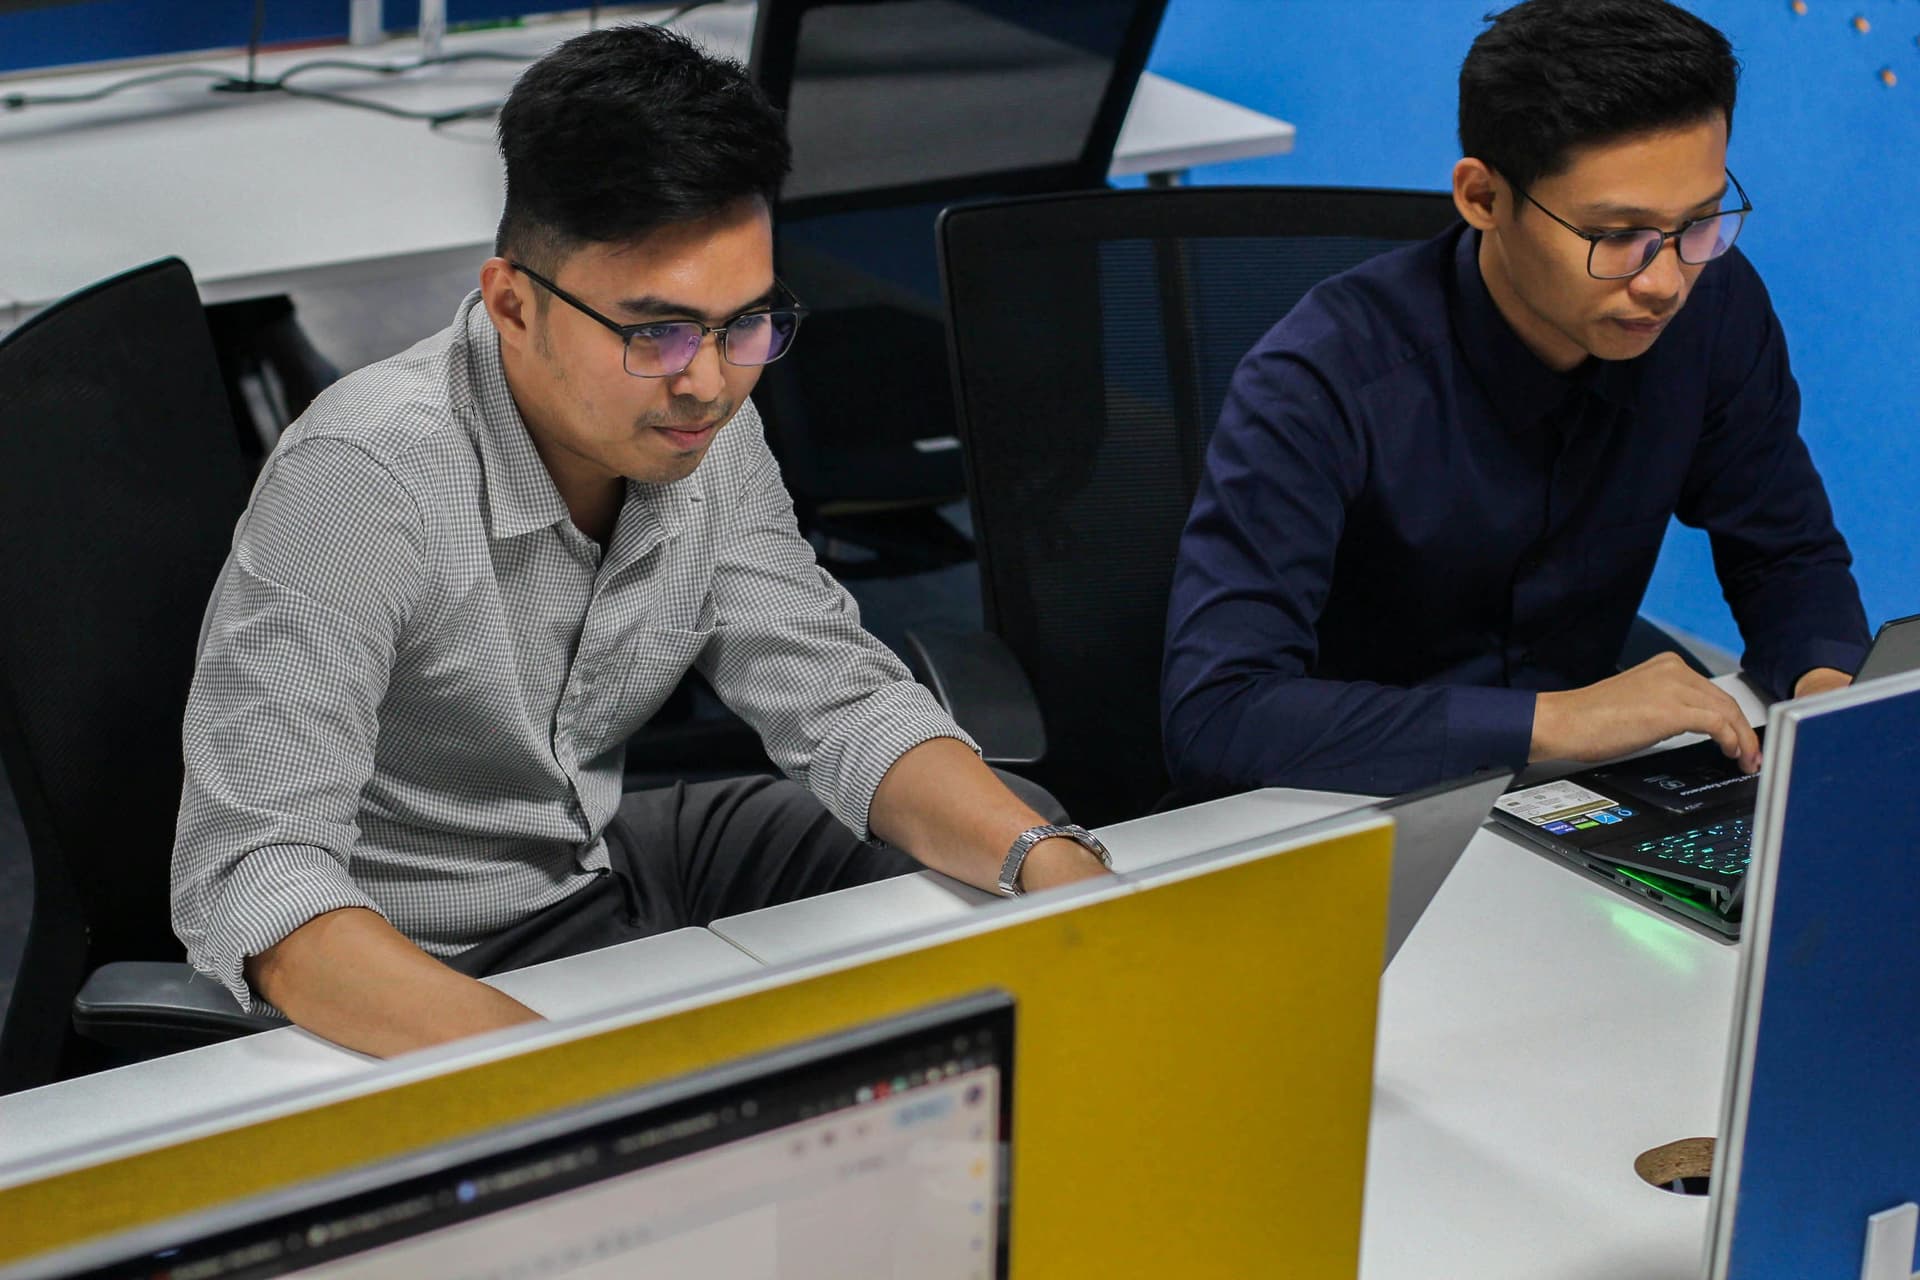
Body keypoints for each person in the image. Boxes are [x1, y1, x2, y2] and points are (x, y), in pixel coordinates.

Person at [171, 25, 1110, 1059]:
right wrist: (586, 1079)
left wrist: (1054, 863)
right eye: (653, 332)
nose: (708, 380)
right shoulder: (365, 478)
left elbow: (833, 692)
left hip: (595, 862)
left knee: (1013, 844)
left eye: (745, 321)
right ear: (513, 303)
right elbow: (259, 872)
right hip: (422, 946)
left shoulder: (697, 423)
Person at [1161, 0, 1868, 798]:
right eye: (1616, 235)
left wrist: (1829, 699)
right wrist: (1555, 721)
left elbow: (1784, 553)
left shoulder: (1716, 309)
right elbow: (1219, 717)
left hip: (1571, 796)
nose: (1666, 280)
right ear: (1483, 199)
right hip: (1342, 804)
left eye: (1699, 223)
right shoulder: (1322, 378)